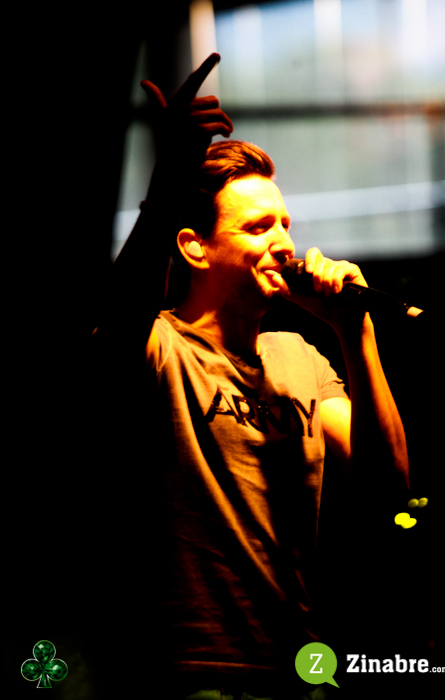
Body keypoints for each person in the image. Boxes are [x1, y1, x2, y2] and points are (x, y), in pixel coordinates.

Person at [91, 54, 410, 700]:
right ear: (194, 246)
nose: (283, 243)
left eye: (285, 224)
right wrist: (170, 181)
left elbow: (389, 490)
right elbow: (118, 319)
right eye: (259, 227)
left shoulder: (300, 356)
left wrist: (354, 332)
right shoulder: (158, 345)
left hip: (301, 671)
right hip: (190, 673)